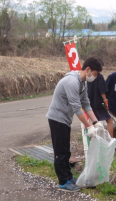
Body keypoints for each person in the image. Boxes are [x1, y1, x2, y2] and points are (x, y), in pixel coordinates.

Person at [46, 57, 103, 192]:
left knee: (66, 151)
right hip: (57, 119)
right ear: (88, 69)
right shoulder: (71, 82)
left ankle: (69, 177)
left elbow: (86, 103)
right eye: (94, 74)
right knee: (60, 152)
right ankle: (63, 182)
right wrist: (89, 126)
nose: (94, 77)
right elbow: (77, 108)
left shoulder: (82, 83)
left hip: (65, 120)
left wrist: (96, 122)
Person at [87, 68, 113, 138]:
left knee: (95, 122)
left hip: (89, 104)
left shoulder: (87, 76)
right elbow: (102, 91)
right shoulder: (99, 76)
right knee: (109, 120)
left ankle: (95, 141)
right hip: (98, 103)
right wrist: (105, 101)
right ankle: (110, 141)